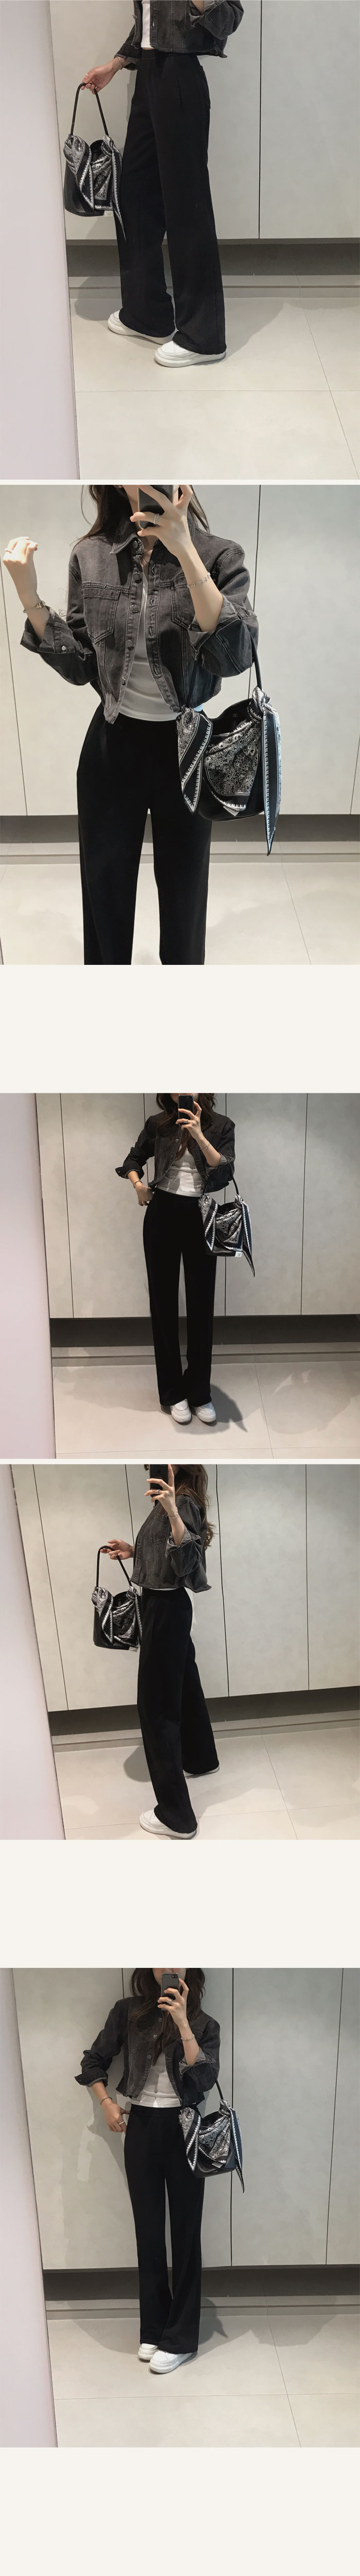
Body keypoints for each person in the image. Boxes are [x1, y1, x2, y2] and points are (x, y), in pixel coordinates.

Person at [3, 485, 258, 966]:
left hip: (187, 750)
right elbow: (82, 664)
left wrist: (186, 551)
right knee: (105, 901)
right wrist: (30, 597)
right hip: (112, 747)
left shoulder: (220, 554)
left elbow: (234, 656)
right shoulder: (91, 555)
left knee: (185, 904)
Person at [80, 8, 244, 367]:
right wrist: (116, 64)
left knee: (187, 205)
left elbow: (230, 17)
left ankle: (204, 336)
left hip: (181, 75)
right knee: (134, 196)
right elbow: (149, 22)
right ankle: (147, 314)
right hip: (148, 75)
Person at [76, 1968, 220, 2368]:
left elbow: (204, 2078)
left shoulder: (204, 2023)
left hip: (186, 2127)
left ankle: (182, 2338)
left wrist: (183, 2022)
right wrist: (107, 2103)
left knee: (187, 2232)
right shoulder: (127, 2012)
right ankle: (154, 2329)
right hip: (140, 2125)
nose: (169, 1964)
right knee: (149, 2232)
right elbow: (93, 2061)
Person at [102, 1459, 218, 1837]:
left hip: (166, 1609)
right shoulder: (171, 1497)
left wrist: (171, 1510)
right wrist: (134, 1549)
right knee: (186, 1683)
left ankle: (177, 1817)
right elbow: (165, 1552)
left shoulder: (179, 1501)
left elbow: (188, 1564)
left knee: (156, 1708)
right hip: (164, 1605)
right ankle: (200, 1758)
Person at [118, 1090, 236, 1423]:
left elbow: (224, 1173)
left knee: (202, 1306)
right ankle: (172, 1392)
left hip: (201, 1215)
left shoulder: (222, 1125)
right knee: (163, 1305)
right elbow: (133, 1159)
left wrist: (198, 1134)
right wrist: (138, 1185)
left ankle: (199, 1392)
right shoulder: (158, 1123)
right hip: (162, 1214)